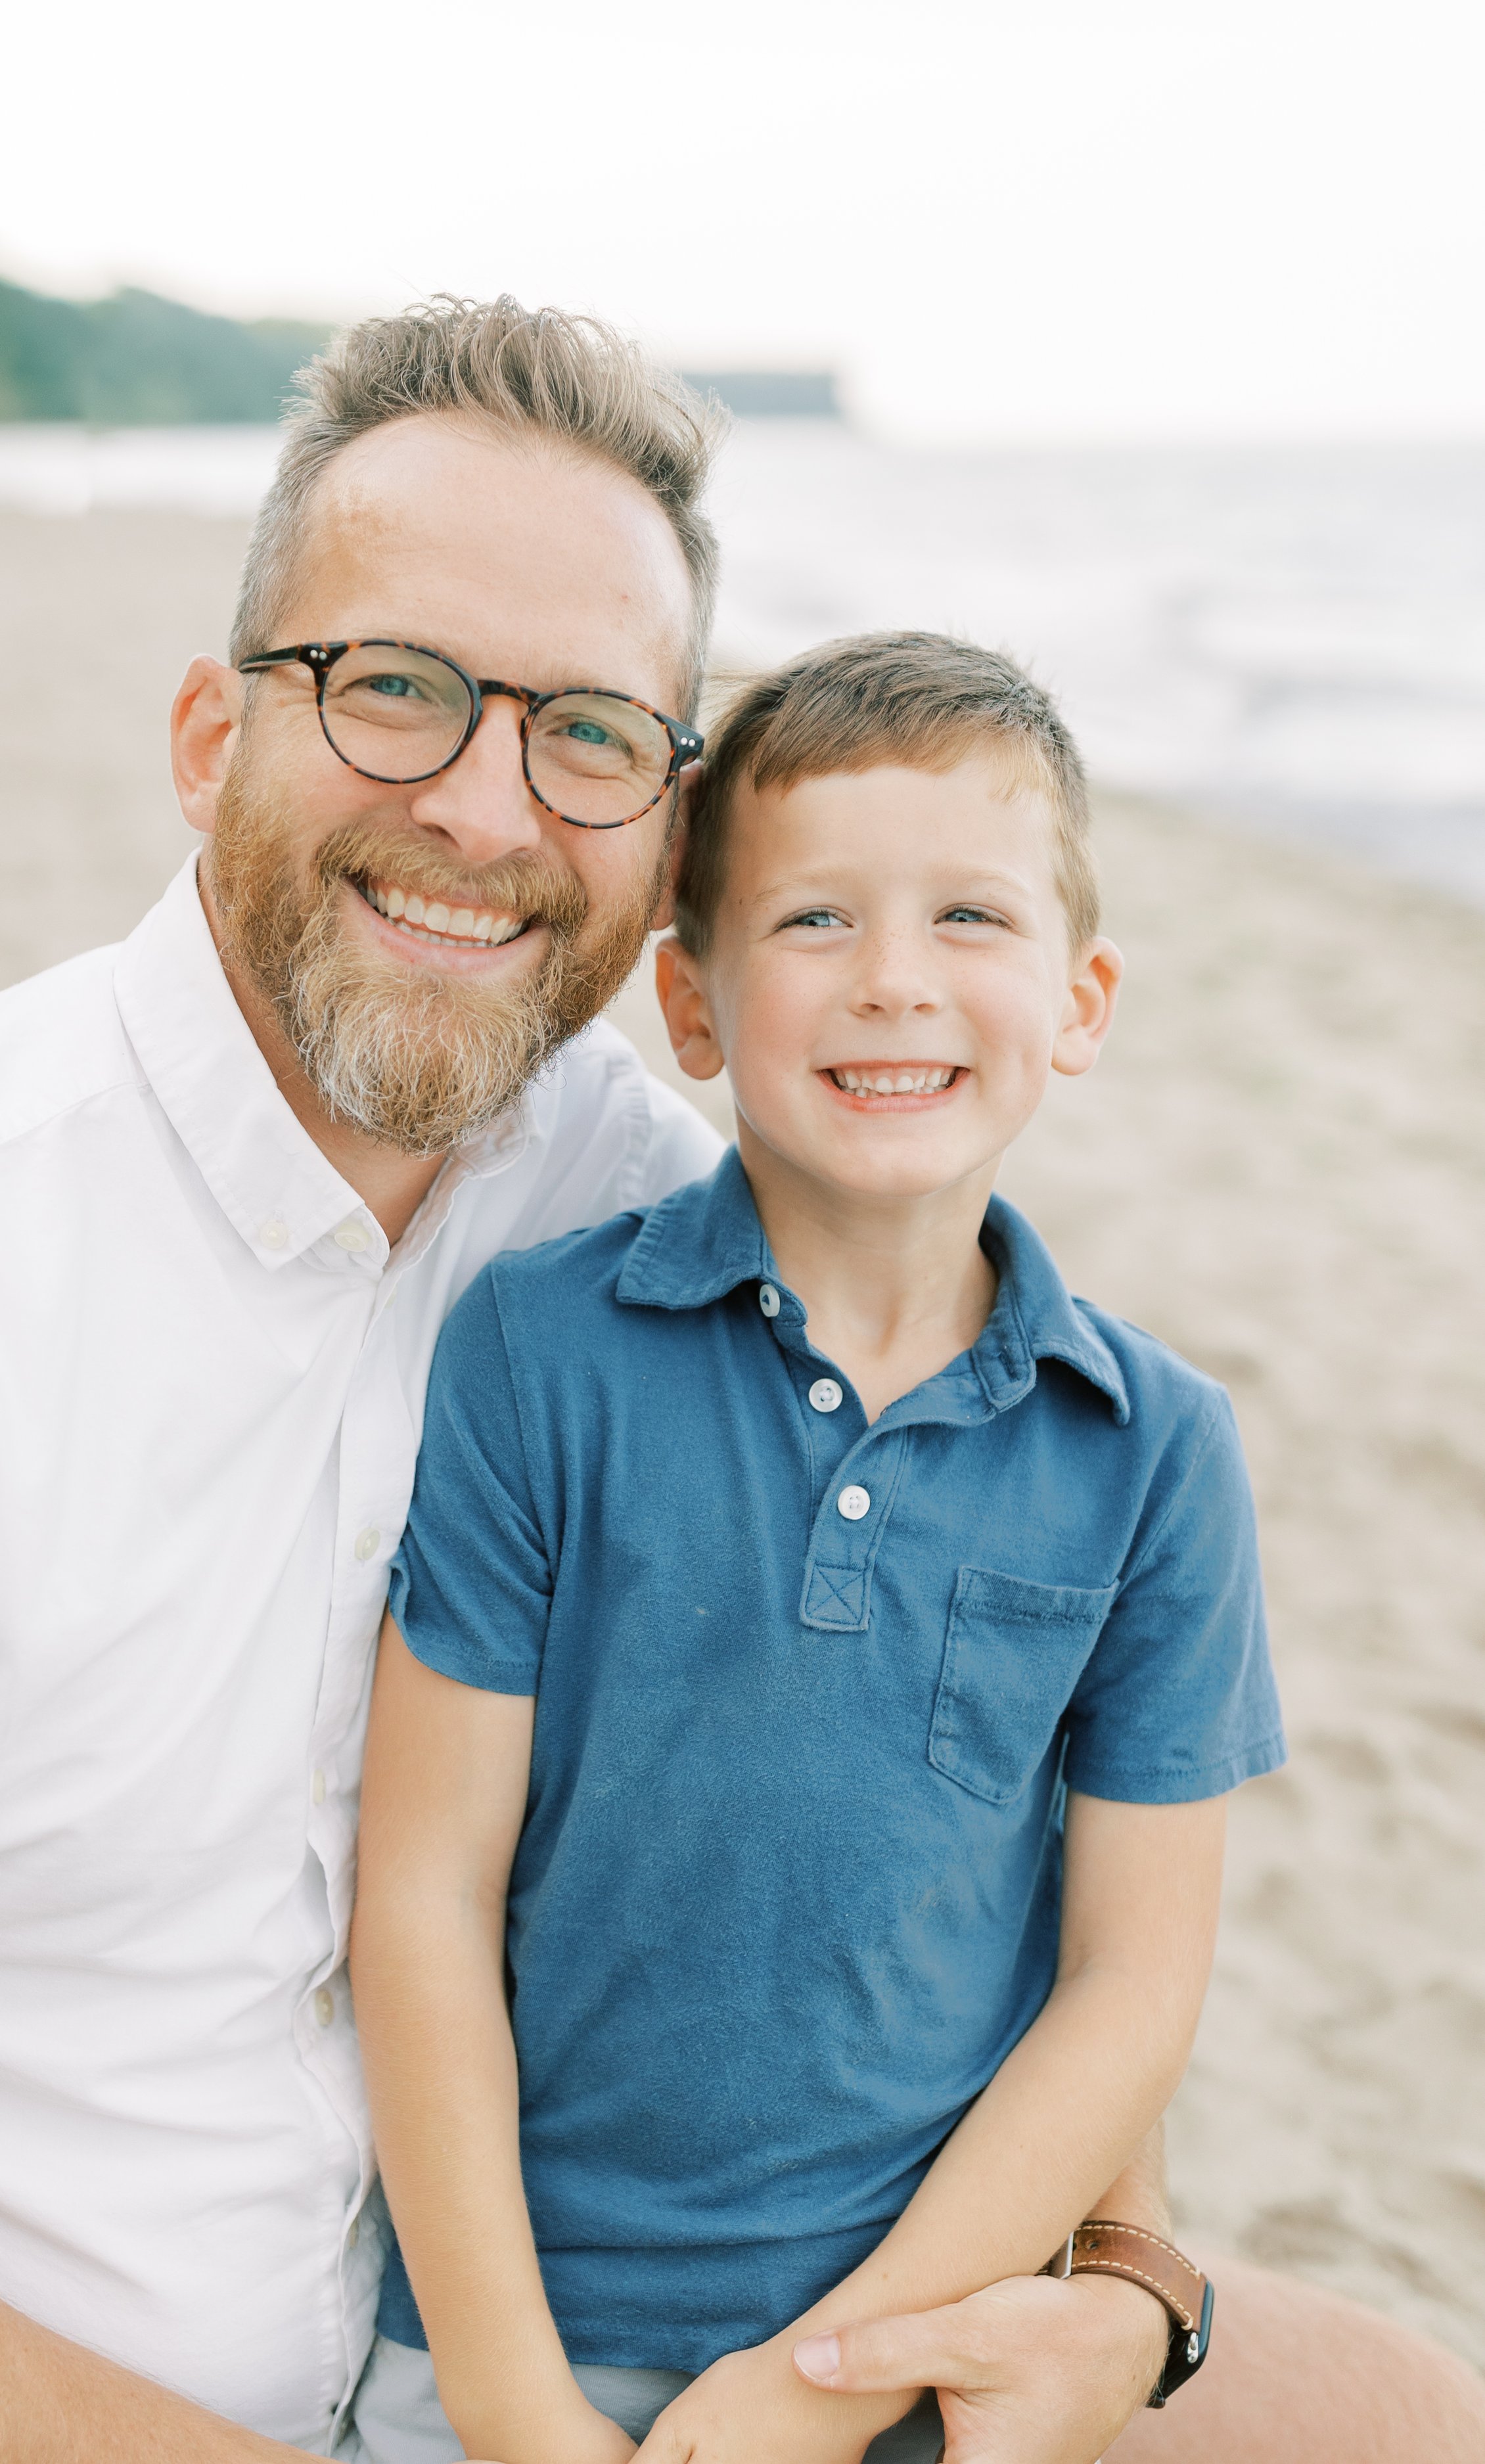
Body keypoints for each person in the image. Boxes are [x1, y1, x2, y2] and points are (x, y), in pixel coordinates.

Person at [0, 297, 1473, 2464]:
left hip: (677, 2340)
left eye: (591, 735)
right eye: (395, 689)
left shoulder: (653, 1206)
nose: (484, 812)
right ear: (207, 734)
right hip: (137, 2408)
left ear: (666, 826)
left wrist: (1127, 2285)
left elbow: (1007, 1867)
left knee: (1395, 2407)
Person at [348, 631, 1286, 2463]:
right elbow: (422, 1893)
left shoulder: (1157, 1451)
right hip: (520, 2335)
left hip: (919, 2358)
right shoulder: (541, 1355)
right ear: (688, 1007)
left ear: (1080, 998)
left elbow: (1128, 1984)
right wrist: (509, 2399)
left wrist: (830, 2376)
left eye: (968, 921)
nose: (891, 984)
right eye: (812, 925)